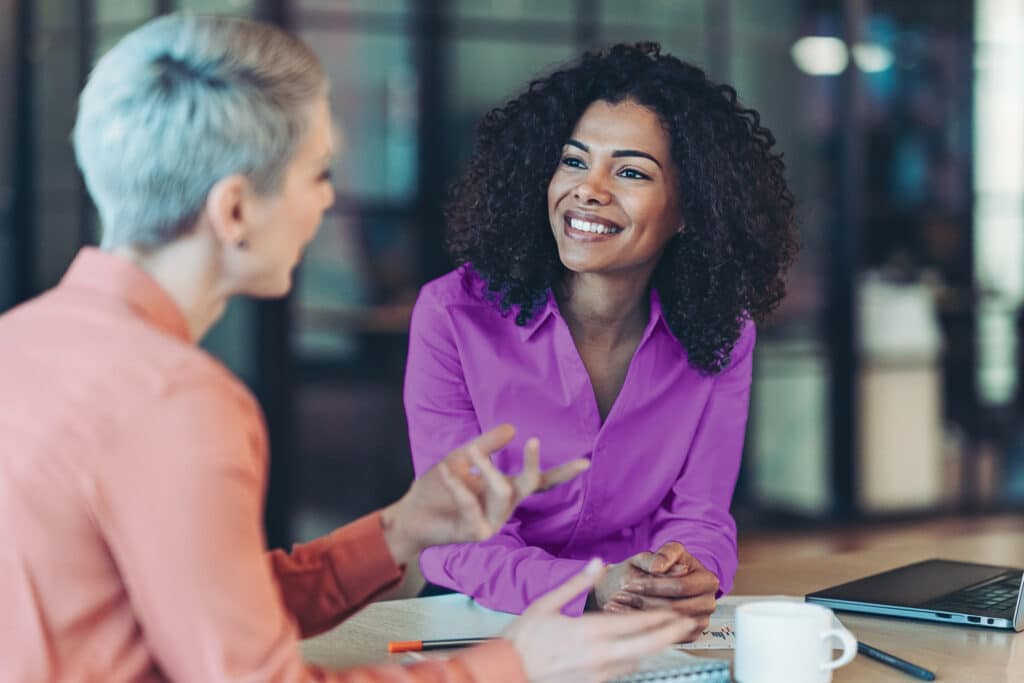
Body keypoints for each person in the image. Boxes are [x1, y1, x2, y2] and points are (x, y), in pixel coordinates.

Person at [0, 16, 693, 683]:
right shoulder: (179, 398)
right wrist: (516, 665)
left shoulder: (20, 341)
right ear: (235, 209)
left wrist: (400, 529)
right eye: (317, 174)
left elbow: (208, 606)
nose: (327, 204)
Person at [405, 42, 798, 632]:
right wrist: (590, 588)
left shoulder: (722, 333)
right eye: (574, 161)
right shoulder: (452, 315)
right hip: (479, 617)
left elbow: (701, 515)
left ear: (691, 209)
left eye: (632, 172)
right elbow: (456, 534)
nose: (589, 189)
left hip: (633, 615)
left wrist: (687, 571)